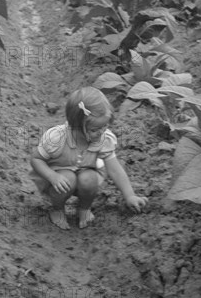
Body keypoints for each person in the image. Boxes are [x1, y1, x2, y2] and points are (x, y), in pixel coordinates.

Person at [30, 87, 148, 230]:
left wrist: (130, 196)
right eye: (94, 129)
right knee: (68, 178)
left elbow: (115, 169)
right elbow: (36, 159)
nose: (101, 132)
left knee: (89, 179)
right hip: (57, 178)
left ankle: (84, 209)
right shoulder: (56, 138)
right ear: (76, 126)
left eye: (105, 126)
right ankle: (57, 209)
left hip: (84, 172)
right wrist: (52, 176)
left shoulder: (103, 138)